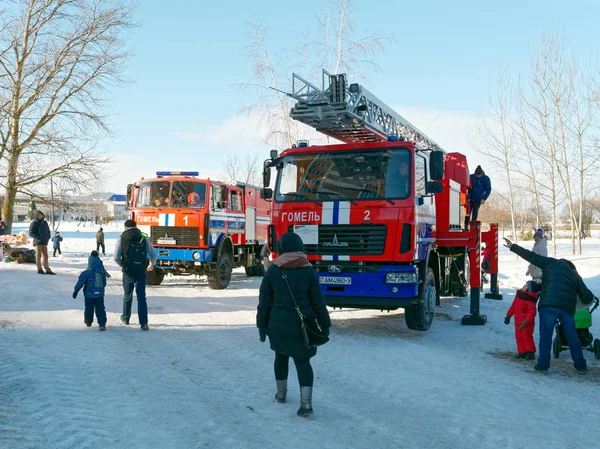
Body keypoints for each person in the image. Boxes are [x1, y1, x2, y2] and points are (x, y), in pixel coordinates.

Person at [257, 232, 331, 417]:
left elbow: (264, 302)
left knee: (280, 357)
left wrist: (262, 326)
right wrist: (325, 323)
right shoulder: (308, 270)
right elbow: (318, 302)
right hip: (302, 326)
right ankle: (306, 404)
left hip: (278, 325)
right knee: (303, 362)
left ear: (281, 248)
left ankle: (281, 394)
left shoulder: (274, 270)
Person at [503, 237, 597, 374]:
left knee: (545, 337)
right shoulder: (575, 275)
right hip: (566, 309)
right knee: (572, 337)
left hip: (548, 305)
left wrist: (513, 247)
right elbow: (587, 296)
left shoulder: (550, 263)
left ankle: (543, 366)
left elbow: (531, 256)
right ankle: (581, 366)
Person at [114, 219, 157, 331]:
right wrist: (151, 265)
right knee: (141, 297)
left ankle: (126, 318)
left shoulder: (121, 238)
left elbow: (116, 257)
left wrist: (123, 264)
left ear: (125, 227)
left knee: (128, 295)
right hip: (141, 271)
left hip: (128, 271)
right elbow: (153, 255)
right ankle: (144, 323)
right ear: (136, 226)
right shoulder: (143, 238)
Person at [73, 251, 110, 331]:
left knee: (89, 308)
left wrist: (76, 290)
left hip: (88, 295)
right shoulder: (101, 272)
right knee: (100, 309)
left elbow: (80, 282)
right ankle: (102, 324)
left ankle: (88, 321)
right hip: (99, 295)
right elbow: (104, 283)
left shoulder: (86, 273)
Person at [504, 287, 538, 360]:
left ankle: (530, 352)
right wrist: (508, 315)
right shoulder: (519, 295)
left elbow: (532, 312)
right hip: (518, 321)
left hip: (526, 323)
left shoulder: (530, 298)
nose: (524, 287)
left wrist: (526, 322)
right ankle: (522, 352)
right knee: (519, 337)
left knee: (527, 337)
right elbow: (513, 306)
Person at [28, 210, 54, 275]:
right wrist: (38, 237)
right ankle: (39, 269)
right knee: (38, 256)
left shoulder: (44, 222)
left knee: (46, 256)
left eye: (41, 215)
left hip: (44, 241)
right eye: (38, 215)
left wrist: (48, 237)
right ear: (36, 216)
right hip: (38, 242)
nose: (40, 216)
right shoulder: (34, 223)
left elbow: (48, 231)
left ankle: (48, 269)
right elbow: (31, 233)